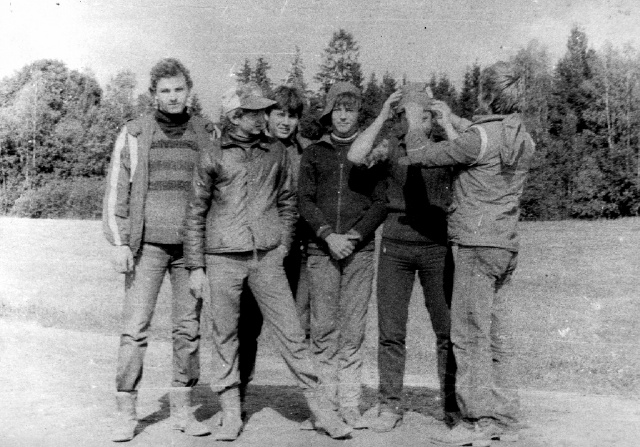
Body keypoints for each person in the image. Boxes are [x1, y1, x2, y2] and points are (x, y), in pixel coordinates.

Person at [184, 82, 352, 441]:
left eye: (265, 111)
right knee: (225, 335)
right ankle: (231, 413)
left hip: (267, 259)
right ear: (235, 116)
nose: (264, 117)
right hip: (221, 259)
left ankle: (323, 411)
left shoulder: (275, 151)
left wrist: (282, 246)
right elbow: (195, 212)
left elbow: (288, 202)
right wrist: (196, 267)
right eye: (256, 112)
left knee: (292, 335)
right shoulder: (212, 153)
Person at [399, 61, 535, 446]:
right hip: (505, 245)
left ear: (486, 94)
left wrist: (415, 122)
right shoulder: (522, 137)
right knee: (497, 335)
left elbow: (422, 154)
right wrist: (451, 120)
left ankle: (477, 420)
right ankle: (506, 418)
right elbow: (482, 139)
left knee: (469, 334)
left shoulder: (478, 138)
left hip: (476, 246)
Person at [102, 58, 213, 442]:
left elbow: (218, 190)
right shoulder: (134, 132)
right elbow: (117, 190)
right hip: (145, 247)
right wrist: (120, 242)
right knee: (134, 329)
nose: (173, 97)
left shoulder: (206, 132)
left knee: (188, 329)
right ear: (154, 94)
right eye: (165, 91)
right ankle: (126, 413)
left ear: (189, 91)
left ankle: (183, 409)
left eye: (179, 89)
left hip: (191, 251)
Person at [347, 83, 458, 432]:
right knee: (391, 331)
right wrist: (382, 115)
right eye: (409, 116)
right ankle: (390, 404)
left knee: (447, 331)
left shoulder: (445, 145)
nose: (416, 123)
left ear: (432, 117)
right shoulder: (390, 146)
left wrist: (449, 121)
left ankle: (452, 408)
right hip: (395, 247)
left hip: (436, 247)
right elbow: (356, 156)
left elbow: (472, 157)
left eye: (423, 116)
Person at [298, 81, 388, 429]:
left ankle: (349, 405)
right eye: (338, 110)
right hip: (322, 250)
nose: (344, 116)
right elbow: (305, 200)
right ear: (329, 114)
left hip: (358, 252)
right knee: (323, 331)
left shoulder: (371, 153)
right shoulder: (314, 153)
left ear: (359, 115)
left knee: (353, 331)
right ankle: (325, 407)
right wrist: (327, 235)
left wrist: (355, 235)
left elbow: (380, 202)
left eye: (350, 110)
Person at [236, 85, 313, 402]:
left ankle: (315, 402)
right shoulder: (253, 147)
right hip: (257, 250)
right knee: (247, 325)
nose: (285, 121)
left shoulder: (306, 152)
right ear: (266, 115)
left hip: (295, 250)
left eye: (292, 116)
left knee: (298, 328)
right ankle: (237, 395)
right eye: (279, 114)